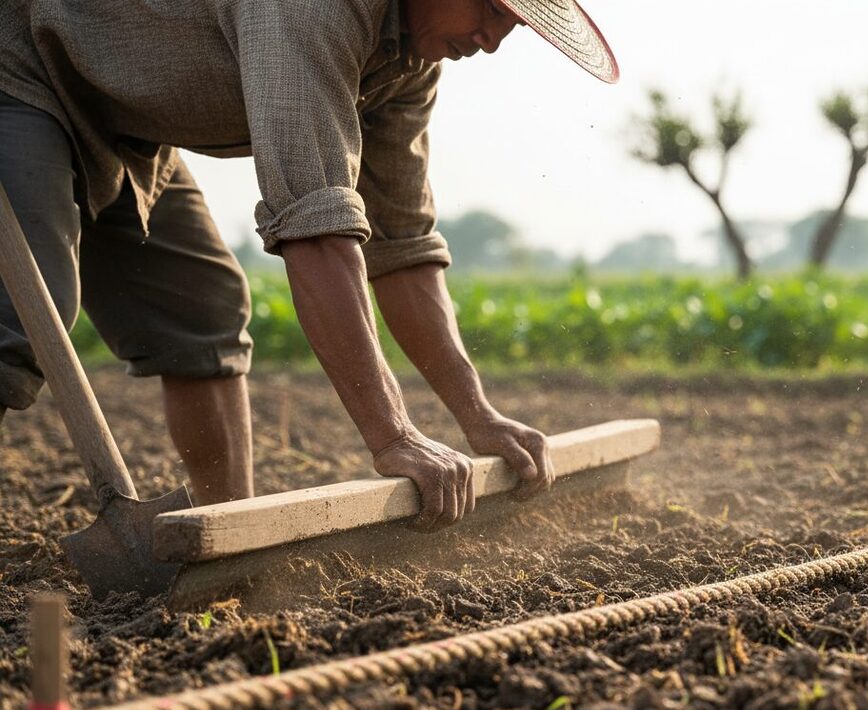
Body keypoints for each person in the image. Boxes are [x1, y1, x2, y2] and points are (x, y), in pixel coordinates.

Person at [0, 0, 619, 531]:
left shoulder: (410, 65)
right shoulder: (314, 10)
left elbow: (402, 248)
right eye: (490, 7)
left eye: (513, 23)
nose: (492, 40)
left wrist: (476, 414)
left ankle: (228, 543)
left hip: (122, 123)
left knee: (204, 316)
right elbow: (316, 228)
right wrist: (393, 434)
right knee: (20, 317)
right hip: (22, 70)